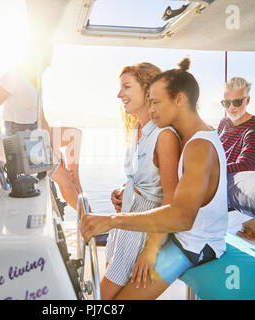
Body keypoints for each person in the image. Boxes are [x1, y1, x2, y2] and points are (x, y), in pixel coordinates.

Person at [79, 58, 228, 300]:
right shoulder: (191, 138)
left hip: (193, 246)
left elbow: (181, 217)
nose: (152, 108)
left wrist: (115, 222)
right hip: (177, 235)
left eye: (156, 102)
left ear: (179, 99)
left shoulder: (199, 147)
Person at [102, 62, 180, 300]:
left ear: (147, 90)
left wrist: (151, 249)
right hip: (126, 218)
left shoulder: (164, 135)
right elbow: (143, 179)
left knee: (103, 297)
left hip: (145, 227)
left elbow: (170, 199)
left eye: (126, 87)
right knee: (105, 293)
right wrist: (124, 190)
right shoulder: (137, 130)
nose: (119, 94)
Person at [0, 48, 83, 209]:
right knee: (64, 179)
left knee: (75, 136)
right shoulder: (12, 77)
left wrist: (53, 148)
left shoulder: (36, 81)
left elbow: (42, 119)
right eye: (47, 57)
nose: (49, 63)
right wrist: (2, 145)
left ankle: (76, 179)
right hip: (21, 139)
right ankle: (92, 223)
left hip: (36, 135)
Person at [218, 77, 255, 241]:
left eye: (237, 102)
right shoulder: (224, 123)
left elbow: (245, 164)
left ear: (247, 100)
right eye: (226, 103)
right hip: (222, 192)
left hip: (241, 203)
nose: (231, 108)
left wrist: (209, 169)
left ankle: (254, 224)